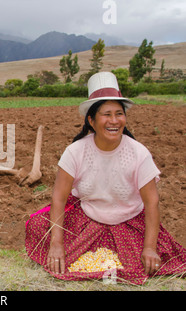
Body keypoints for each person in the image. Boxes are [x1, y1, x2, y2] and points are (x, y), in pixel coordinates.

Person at [25, 72, 186, 285]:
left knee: (146, 264)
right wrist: (57, 242)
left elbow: (152, 202)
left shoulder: (138, 153)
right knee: (36, 224)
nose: (114, 121)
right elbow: (58, 198)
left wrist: (149, 247)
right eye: (106, 114)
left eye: (119, 114)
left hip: (128, 222)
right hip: (86, 217)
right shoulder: (76, 151)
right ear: (91, 120)